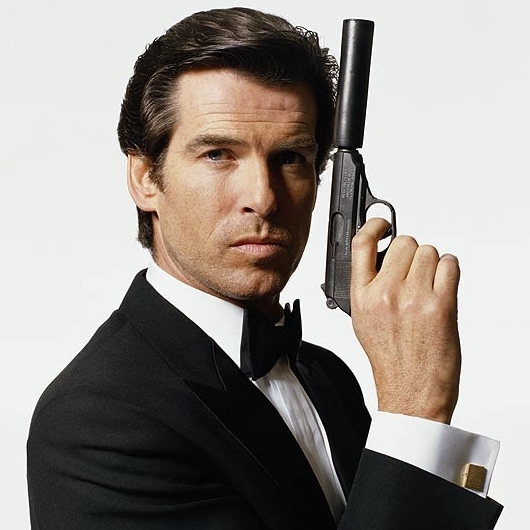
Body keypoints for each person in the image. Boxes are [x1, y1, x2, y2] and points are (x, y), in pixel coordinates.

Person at [26, 6, 503, 529]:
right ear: (145, 178)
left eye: (290, 158)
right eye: (218, 154)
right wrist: (416, 412)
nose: (264, 197)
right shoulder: (95, 420)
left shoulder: (327, 378)